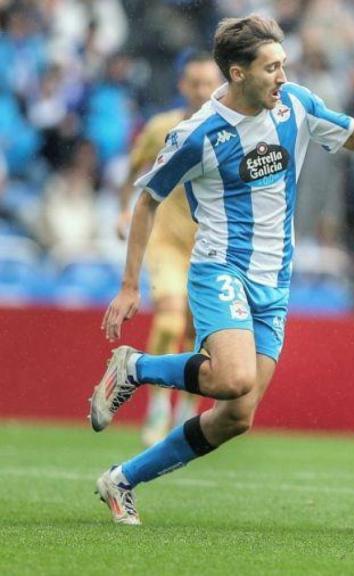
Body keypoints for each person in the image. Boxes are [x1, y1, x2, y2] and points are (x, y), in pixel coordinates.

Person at [90, 14, 354, 525]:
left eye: (283, 64)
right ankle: (135, 367)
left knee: (236, 416)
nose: (283, 76)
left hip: (276, 278)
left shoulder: (296, 104)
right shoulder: (198, 133)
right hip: (220, 269)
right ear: (238, 73)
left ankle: (122, 480)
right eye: (271, 68)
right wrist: (129, 285)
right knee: (232, 376)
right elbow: (147, 201)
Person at [116, 51, 221, 447]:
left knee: (200, 335)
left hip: (208, 247)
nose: (200, 90)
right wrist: (123, 211)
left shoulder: (226, 128)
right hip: (166, 242)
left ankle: (186, 409)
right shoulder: (160, 127)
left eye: (208, 83)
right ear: (182, 86)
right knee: (170, 322)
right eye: (194, 83)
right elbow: (132, 173)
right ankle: (159, 402)